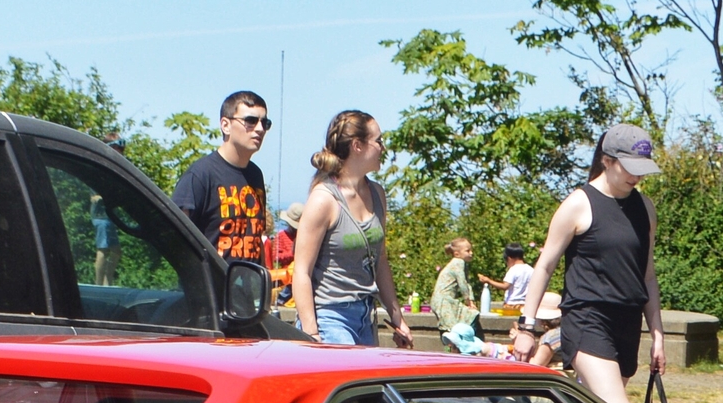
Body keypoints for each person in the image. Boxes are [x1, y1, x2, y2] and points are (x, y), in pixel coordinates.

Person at [518, 124, 665, 403]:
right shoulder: (578, 204)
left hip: (628, 323)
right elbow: (545, 265)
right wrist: (527, 326)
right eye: (629, 167)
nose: (636, 176)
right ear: (607, 160)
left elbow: (647, 276)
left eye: (642, 169)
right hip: (588, 320)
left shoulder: (645, 208)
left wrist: (658, 336)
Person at [290, 111, 410, 348]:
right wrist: (312, 333)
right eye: (379, 141)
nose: (383, 148)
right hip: (330, 317)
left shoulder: (377, 194)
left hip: (366, 316)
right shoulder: (324, 199)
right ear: (357, 146)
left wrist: (398, 318)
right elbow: (301, 271)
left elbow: (380, 260)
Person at [171, 92, 272, 267]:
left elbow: (256, 238)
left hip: (246, 290)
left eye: (265, 123)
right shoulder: (201, 175)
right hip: (210, 290)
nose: (260, 129)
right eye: (250, 121)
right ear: (226, 125)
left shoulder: (256, 175)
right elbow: (176, 238)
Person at [432, 238, 508, 357]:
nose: (471, 253)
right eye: (467, 250)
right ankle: (465, 349)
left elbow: (466, 283)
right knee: (456, 326)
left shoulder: (460, 263)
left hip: (443, 300)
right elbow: (463, 283)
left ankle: (462, 349)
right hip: (445, 301)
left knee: (456, 325)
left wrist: (470, 300)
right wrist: (469, 301)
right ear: (457, 253)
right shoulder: (458, 262)